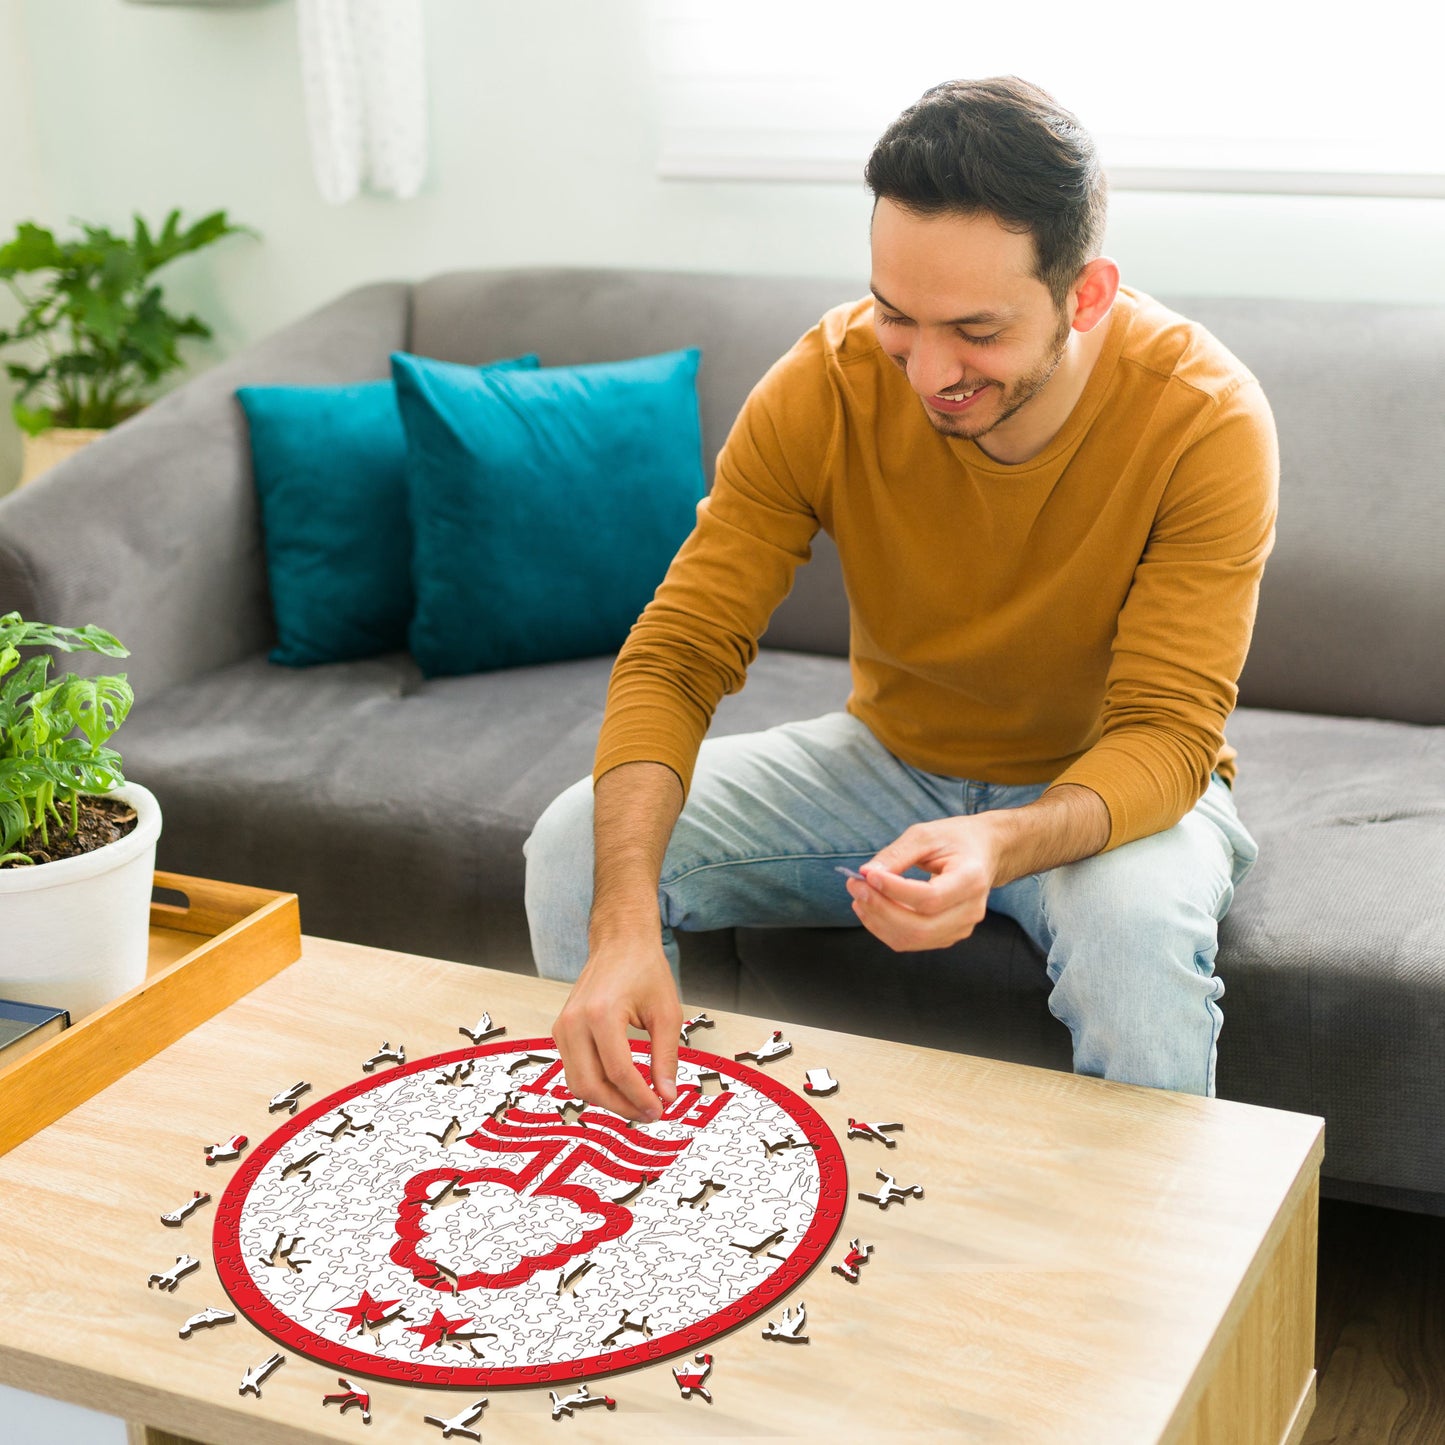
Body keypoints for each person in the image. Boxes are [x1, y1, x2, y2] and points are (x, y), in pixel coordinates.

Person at [523, 75, 1278, 1122]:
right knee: (577, 847)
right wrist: (619, 929)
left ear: (1085, 295)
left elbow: (1165, 733)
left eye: (974, 329)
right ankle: (638, 1176)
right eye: (895, 315)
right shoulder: (824, 383)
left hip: (1105, 787)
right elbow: (680, 649)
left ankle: (1152, 1234)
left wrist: (999, 840)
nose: (926, 372)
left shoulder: (1203, 418)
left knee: (1132, 936)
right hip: (888, 762)